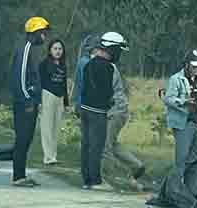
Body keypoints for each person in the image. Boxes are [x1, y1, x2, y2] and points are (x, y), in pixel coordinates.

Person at [80, 31, 143, 188]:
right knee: (104, 146)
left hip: (112, 111)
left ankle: (94, 179)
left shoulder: (92, 64)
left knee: (99, 144)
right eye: (118, 50)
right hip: (108, 111)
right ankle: (108, 178)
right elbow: (106, 93)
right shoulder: (107, 67)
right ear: (111, 48)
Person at [162, 48, 197, 208]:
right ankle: (174, 192)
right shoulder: (176, 79)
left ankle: (194, 194)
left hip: (195, 122)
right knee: (182, 159)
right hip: (182, 123)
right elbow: (168, 99)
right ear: (186, 65)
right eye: (194, 66)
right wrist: (183, 102)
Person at [10, 16, 50, 187]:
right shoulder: (25, 48)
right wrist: (27, 100)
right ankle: (18, 177)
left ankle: (21, 175)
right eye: (43, 33)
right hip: (24, 103)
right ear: (35, 32)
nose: (45, 36)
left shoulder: (31, 49)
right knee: (22, 139)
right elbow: (19, 77)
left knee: (26, 139)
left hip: (30, 102)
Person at [38, 38, 70, 165]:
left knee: (56, 128)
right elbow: (39, 82)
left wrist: (66, 103)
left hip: (59, 98)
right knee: (47, 127)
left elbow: (64, 85)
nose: (58, 51)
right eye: (55, 48)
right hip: (47, 96)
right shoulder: (44, 64)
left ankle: (53, 156)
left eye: (60, 49)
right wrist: (38, 101)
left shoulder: (63, 65)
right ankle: (48, 157)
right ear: (50, 50)